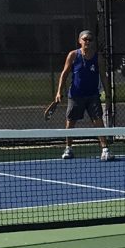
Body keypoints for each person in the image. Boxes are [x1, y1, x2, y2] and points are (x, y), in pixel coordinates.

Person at [52, 29, 114, 161]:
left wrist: (108, 96)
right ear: (80, 41)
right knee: (70, 123)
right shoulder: (73, 55)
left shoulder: (98, 57)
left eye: (90, 39)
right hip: (75, 95)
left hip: (93, 96)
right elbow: (64, 73)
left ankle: (105, 150)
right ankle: (68, 149)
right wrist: (59, 92)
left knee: (99, 122)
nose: (87, 41)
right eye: (85, 39)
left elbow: (103, 76)